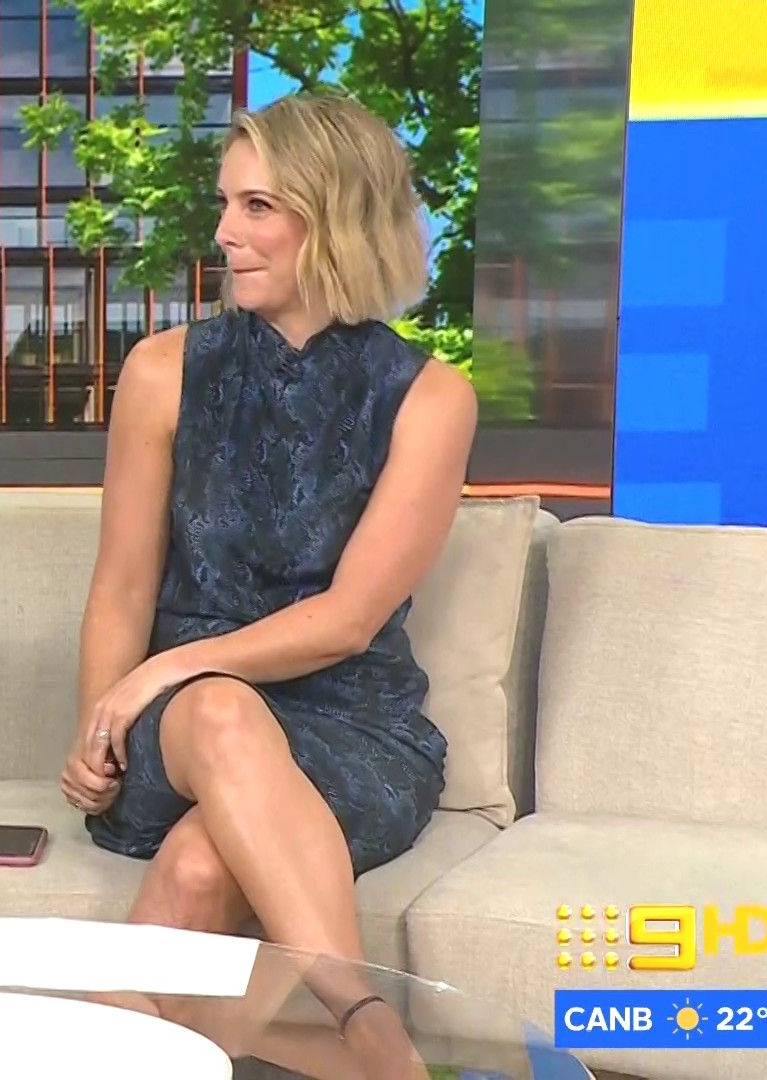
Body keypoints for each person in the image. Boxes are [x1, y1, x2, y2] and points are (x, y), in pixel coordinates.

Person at [59, 93, 476, 1072]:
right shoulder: (162, 372)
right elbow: (122, 588)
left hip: (351, 727)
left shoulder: (430, 398)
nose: (224, 233)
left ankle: (138, 1045)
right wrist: (101, 725)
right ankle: (365, 1018)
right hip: (181, 734)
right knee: (217, 710)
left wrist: (160, 672)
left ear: (334, 219)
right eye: (225, 204)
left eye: (256, 207)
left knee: (204, 860)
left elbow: (348, 621)